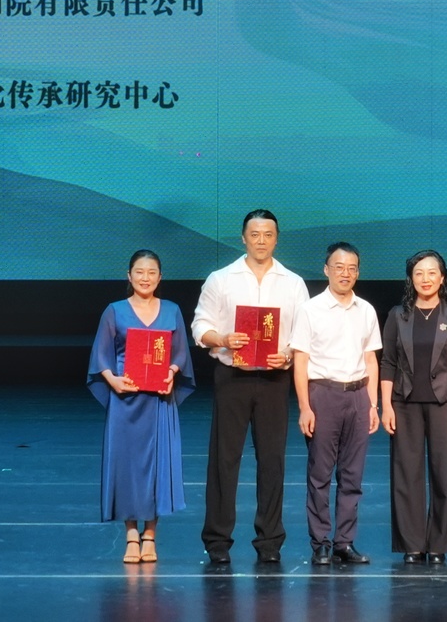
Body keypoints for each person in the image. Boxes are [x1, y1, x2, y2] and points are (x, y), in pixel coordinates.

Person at [191, 209, 312, 566]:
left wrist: (287, 354)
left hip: (274, 380)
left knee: (272, 461)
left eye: (268, 234)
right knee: (224, 460)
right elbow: (200, 325)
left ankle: (270, 540)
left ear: (277, 239)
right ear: (243, 238)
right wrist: (223, 339)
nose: (261, 241)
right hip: (232, 377)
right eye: (254, 234)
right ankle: (217, 540)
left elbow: (304, 333)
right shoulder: (221, 279)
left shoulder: (293, 283)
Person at [87, 248, 195, 564]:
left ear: (160, 277)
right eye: (139, 272)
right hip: (125, 400)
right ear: (129, 275)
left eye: (151, 272)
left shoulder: (172, 310)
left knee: (157, 465)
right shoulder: (115, 311)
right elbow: (101, 354)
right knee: (127, 466)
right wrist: (113, 380)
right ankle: (131, 534)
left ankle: (150, 535)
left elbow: (180, 354)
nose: (145, 278)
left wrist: (171, 372)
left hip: (158, 400)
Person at [290, 242, 382, 567]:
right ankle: (321, 544)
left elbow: (370, 359)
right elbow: (300, 361)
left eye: (352, 268)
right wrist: (305, 406)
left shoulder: (366, 310)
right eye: (339, 267)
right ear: (326, 269)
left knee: (352, 475)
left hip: (358, 395)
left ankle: (344, 542)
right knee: (320, 473)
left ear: (358, 272)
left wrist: (372, 404)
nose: (346, 273)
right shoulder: (310, 310)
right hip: (323, 394)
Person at [379, 249, 447, 565]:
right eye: (419, 273)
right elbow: (388, 362)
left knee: (445, 474)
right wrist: (386, 406)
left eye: (432, 272)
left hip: (446, 402)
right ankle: (412, 544)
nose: (426, 278)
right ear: (411, 278)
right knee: (406, 474)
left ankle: (439, 544)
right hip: (404, 403)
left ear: (442, 277)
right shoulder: (397, 315)